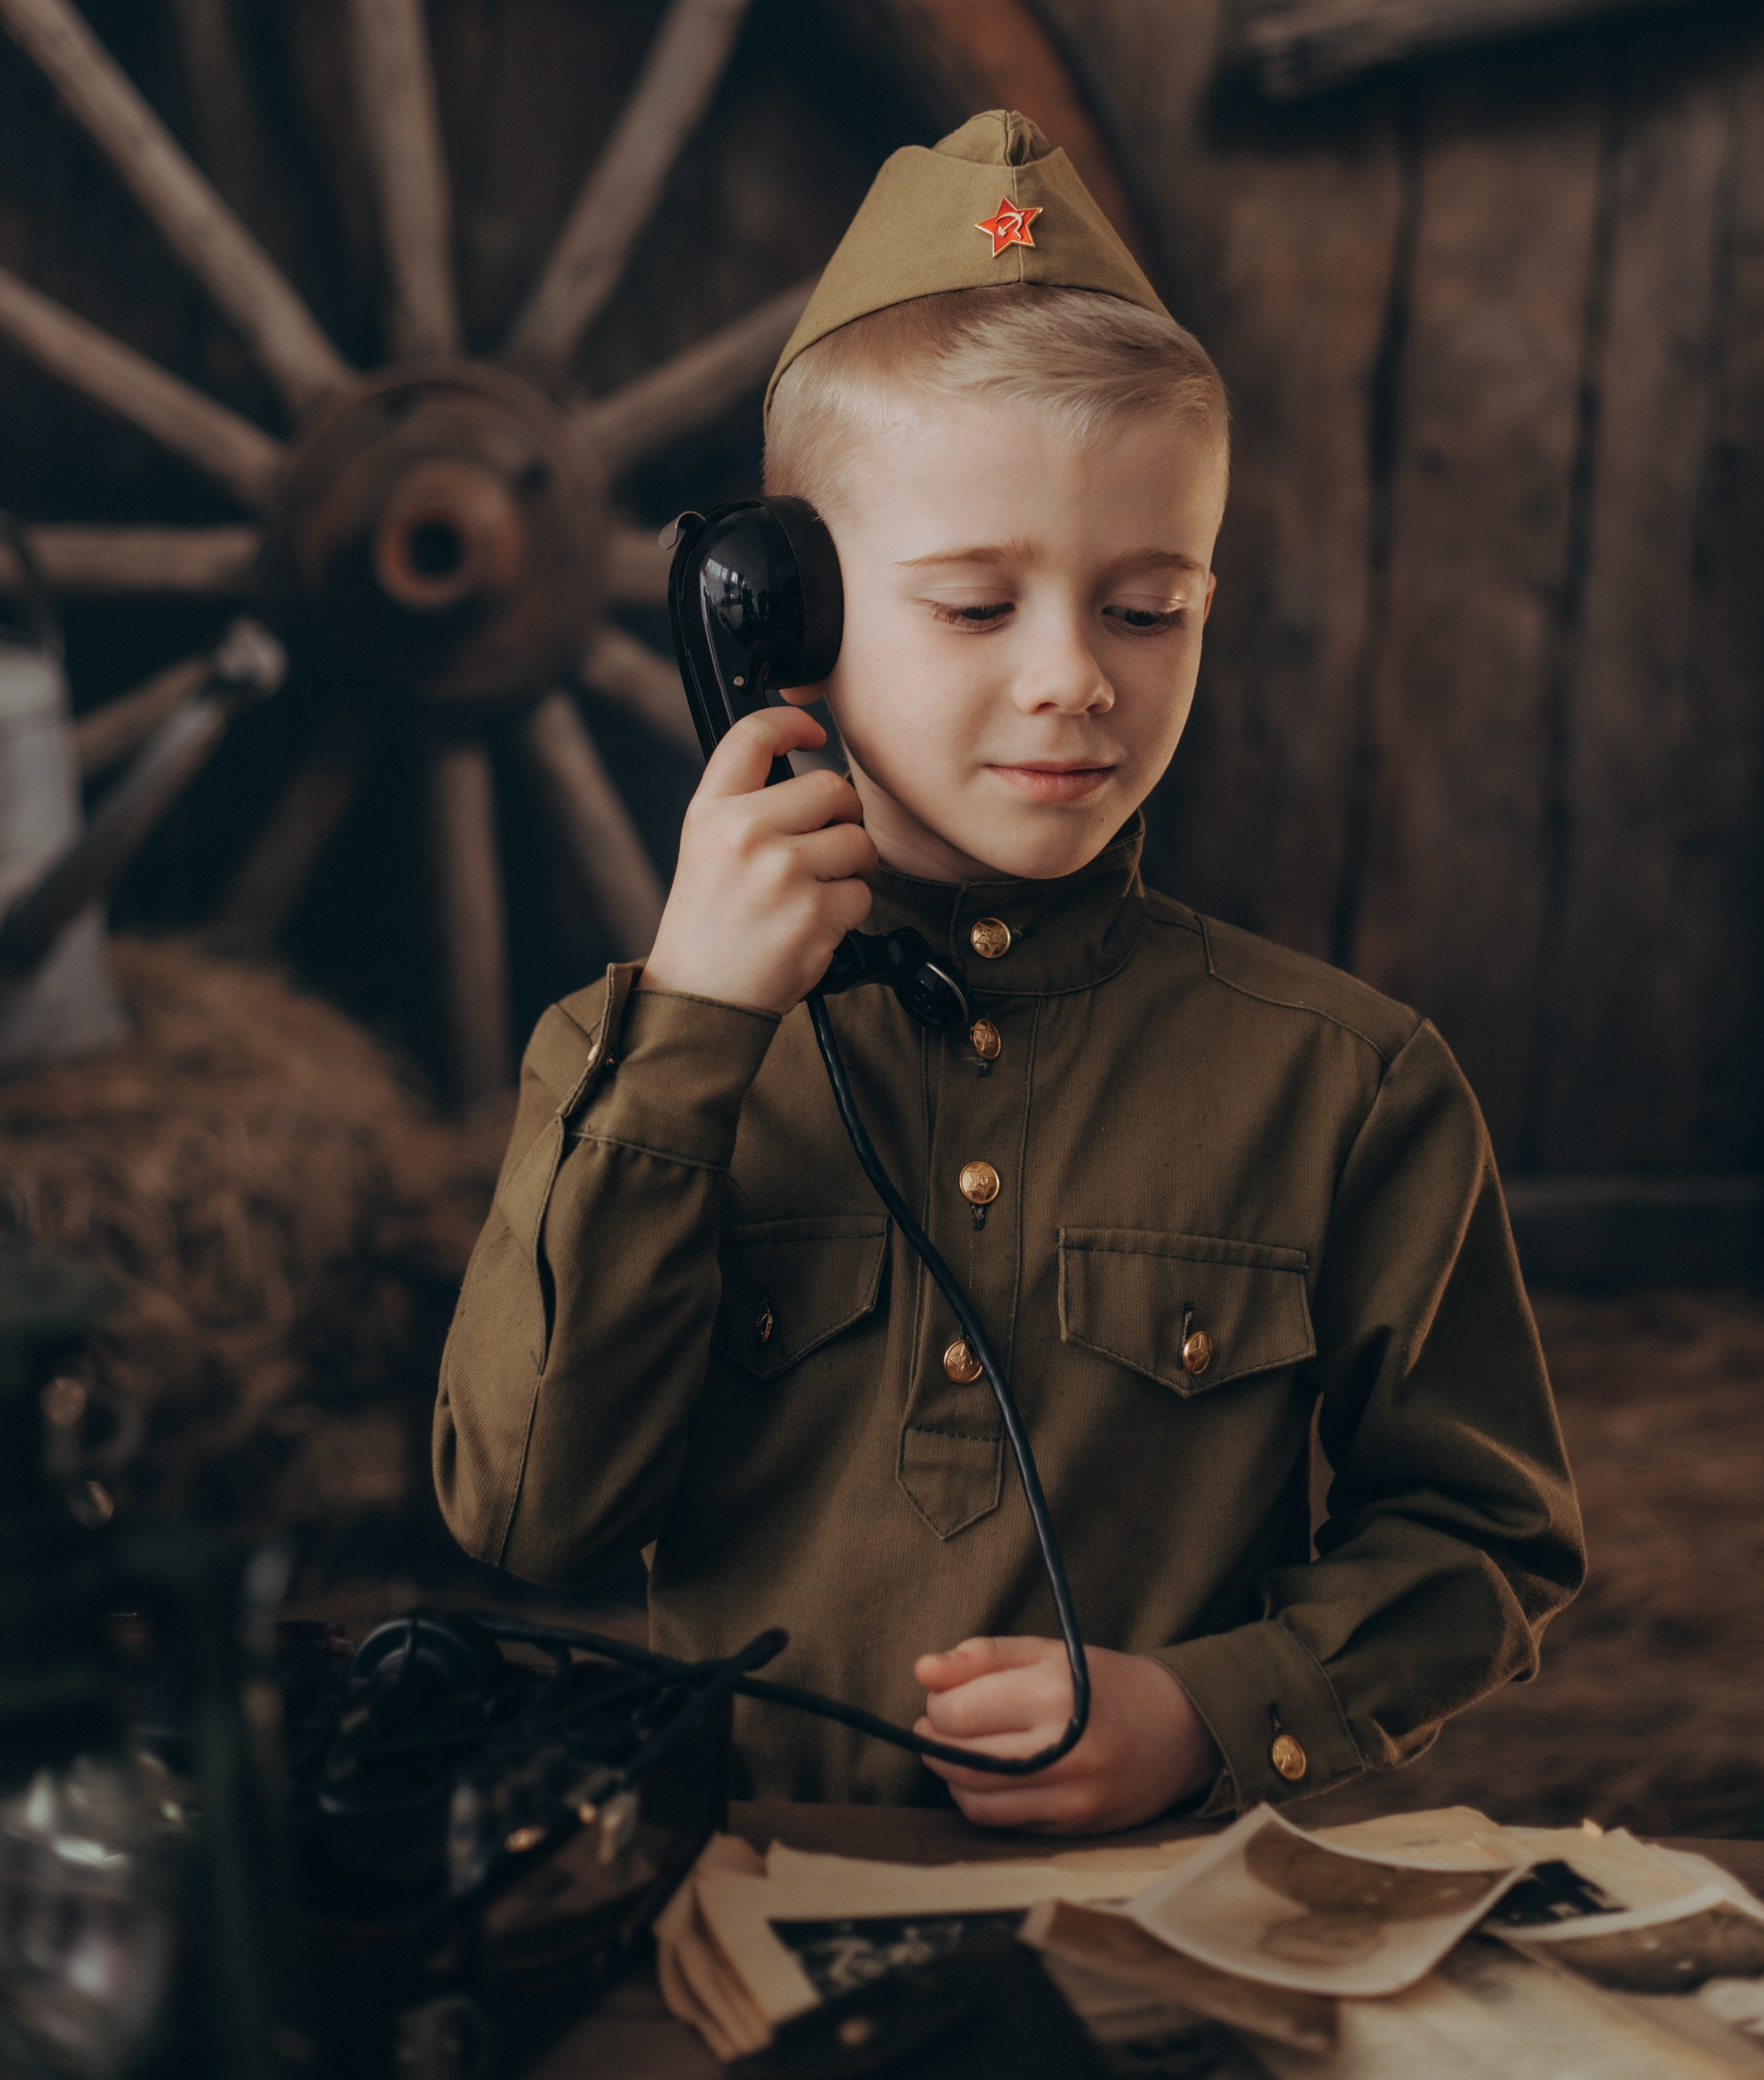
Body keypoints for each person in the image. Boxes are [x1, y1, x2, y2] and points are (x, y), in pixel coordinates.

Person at [434, 109, 1583, 1833]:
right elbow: (528, 1519)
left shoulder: (1349, 1082)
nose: (1074, 681)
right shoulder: (630, 1058)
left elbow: (1488, 1536)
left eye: (1146, 607)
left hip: (1167, 1926)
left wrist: (1214, 1711)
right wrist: (692, 1035)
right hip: (739, 1902)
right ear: (778, 618)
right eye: (974, 608)